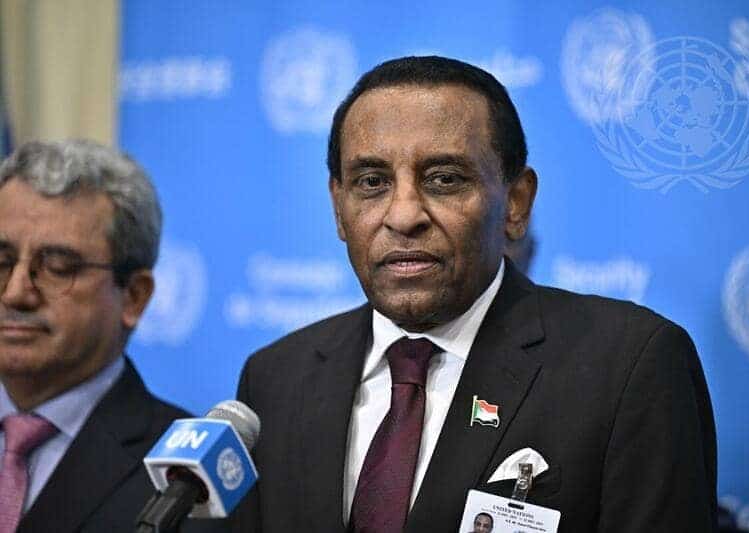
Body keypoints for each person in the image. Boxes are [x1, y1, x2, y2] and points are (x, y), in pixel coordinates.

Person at [235, 56, 717, 532]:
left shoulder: (628, 366)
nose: (403, 216)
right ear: (339, 208)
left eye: (444, 179)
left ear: (516, 203)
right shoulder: (274, 380)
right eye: (372, 182)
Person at [0, 140, 227, 533]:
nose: (16, 292)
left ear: (134, 296)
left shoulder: (189, 479)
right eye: (2, 261)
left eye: (57, 267)